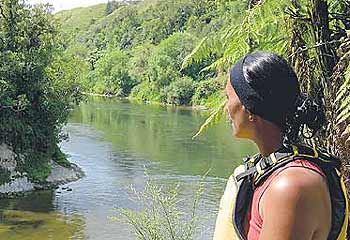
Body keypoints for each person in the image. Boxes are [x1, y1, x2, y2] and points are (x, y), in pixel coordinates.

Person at [213, 52, 348, 240]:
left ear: (249, 107)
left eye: (228, 97)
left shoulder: (291, 186)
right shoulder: (269, 172)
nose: (226, 107)